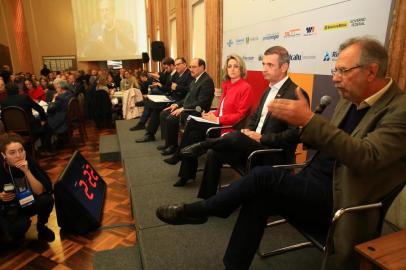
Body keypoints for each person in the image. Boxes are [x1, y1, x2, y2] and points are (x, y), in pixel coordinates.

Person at [156, 37, 406, 270]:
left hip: (341, 199)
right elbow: (324, 143)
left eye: (343, 71)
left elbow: (366, 157)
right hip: (311, 179)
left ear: (371, 71)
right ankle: (232, 264)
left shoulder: (399, 110)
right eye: (335, 70)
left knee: (264, 177)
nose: (336, 79)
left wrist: (307, 122)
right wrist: (308, 127)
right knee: (258, 194)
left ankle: (203, 210)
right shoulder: (349, 100)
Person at [181, 46, 309, 198]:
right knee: (214, 152)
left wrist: (261, 137)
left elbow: (295, 134)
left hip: (271, 152)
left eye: (270, 65)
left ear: (284, 67)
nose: (265, 69)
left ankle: (202, 145)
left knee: (234, 136)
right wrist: (248, 131)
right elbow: (254, 118)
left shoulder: (296, 94)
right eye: (263, 64)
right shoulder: (268, 90)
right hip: (253, 145)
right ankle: (207, 199)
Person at [165, 54, 254, 187]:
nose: (232, 69)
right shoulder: (227, 85)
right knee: (193, 132)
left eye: (236, 66)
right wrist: (211, 115)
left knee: (192, 124)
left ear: (242, 69)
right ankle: (186, 175)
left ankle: (180, 155)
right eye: (229, 66)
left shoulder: (245, 88)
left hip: (227, 129)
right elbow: (221, 109)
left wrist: (218, 118)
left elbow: (240, 116)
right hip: (217, 123)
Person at [0, 133, 55, 244]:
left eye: (21, 150)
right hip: (10, 207)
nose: (18, 155)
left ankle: (41, 225)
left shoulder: (27, 160)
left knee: (47, 199)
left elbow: (40, 191)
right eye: (12, 152)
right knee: (17, 232)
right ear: (3, 155)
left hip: (28, 200)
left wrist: (27, 171)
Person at [158, 58, 215, 156]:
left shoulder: (207, 81)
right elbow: (187, 98)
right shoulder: (195, 80)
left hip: (197, 112)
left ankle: (173, 146)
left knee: (172, 118)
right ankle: (169, 143)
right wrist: (177, 104)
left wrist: (183, 108)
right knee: (164, 113)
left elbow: (202, 103)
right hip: (188, 108)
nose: (191, 69)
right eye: (190, 67)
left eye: (194, 67)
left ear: (202, 67)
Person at [135, 57, 194, 142]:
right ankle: (149, 134)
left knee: (156, 106)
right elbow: (170, 86)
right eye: (176, 65)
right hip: (172, 98)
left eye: (178, 64)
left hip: (179, 101)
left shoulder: (189, 74)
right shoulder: (178, 74)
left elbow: (189, 91)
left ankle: (146, 104)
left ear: (185, 64)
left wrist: (177, 87)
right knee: (156, 107)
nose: (176, 67)